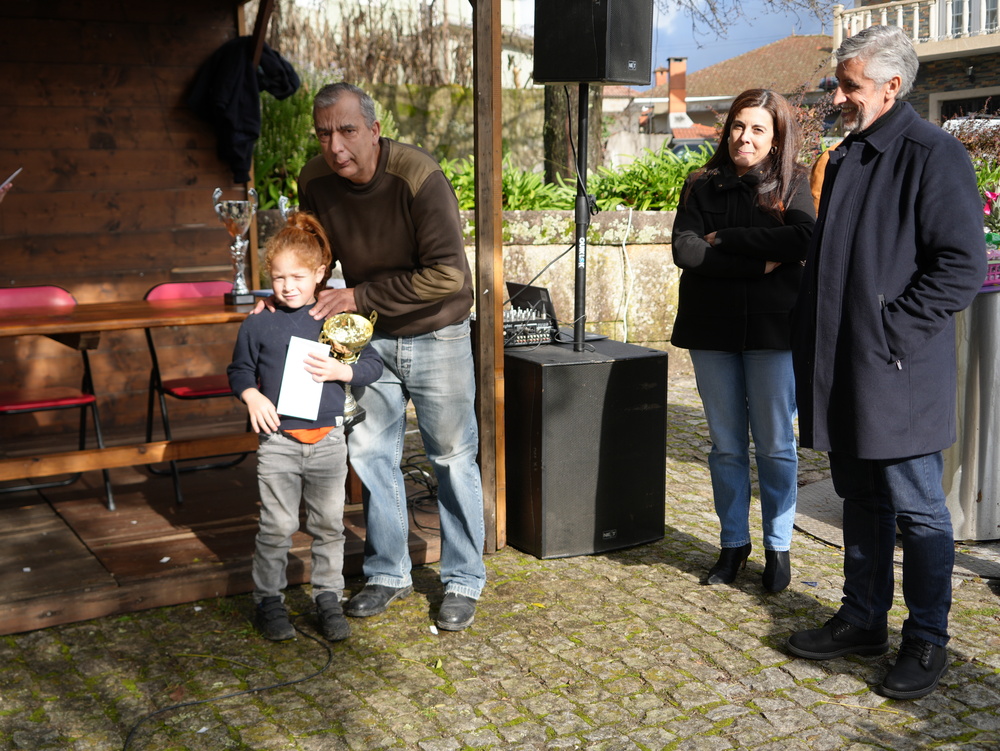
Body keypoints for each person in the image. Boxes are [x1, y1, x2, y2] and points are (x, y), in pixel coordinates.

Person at [787, 26, 987, 699]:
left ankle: (927, 638)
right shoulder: (846, 157)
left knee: (920, 511)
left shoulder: (934, 156)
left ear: (891, 86)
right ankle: (863, 618)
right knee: (861, 499)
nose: (837, 95)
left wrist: (889, 331)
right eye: (839, 83)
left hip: (896, 372)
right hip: (844, 367)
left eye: (850, 85)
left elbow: (959, 267)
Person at [296, 82, 486, 631]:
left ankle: (463, 578)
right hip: (366, 335)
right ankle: (387, 573)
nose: (336, 146)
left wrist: (356, 295)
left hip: (437, 332)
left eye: (348, 131)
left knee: (450, 458)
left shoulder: (417, 176)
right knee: (371, 453)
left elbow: (450, 275)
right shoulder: (314, 179)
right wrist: (284, 295)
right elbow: (315, 256)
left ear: (375, 131)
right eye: (325, 133)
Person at [671, 89, 815, 593]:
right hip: (711, 331)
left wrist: (727, 240)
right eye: (737, 126)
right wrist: (760, 263)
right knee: (727, 447)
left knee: (776, 446)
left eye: (757, 129)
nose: (744, 137)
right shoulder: (701, 184)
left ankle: (778, 547)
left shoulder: (793, 182)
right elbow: (686, 252)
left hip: (774, 331)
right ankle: (733, 544)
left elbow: (802, 240)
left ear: (775, 138)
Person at [228, 211, 383, 642]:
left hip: (330, 441)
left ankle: (328, 598)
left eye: (298, 276)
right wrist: (251, 395)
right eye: (278, 278)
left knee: (329, 524)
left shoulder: (333, 319)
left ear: (319, 274)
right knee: (276, 527)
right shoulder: (258, 323)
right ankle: (268, 602)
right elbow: (239, 370)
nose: (288, 286)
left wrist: (341, 371)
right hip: (278, 442)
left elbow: (371, 364)